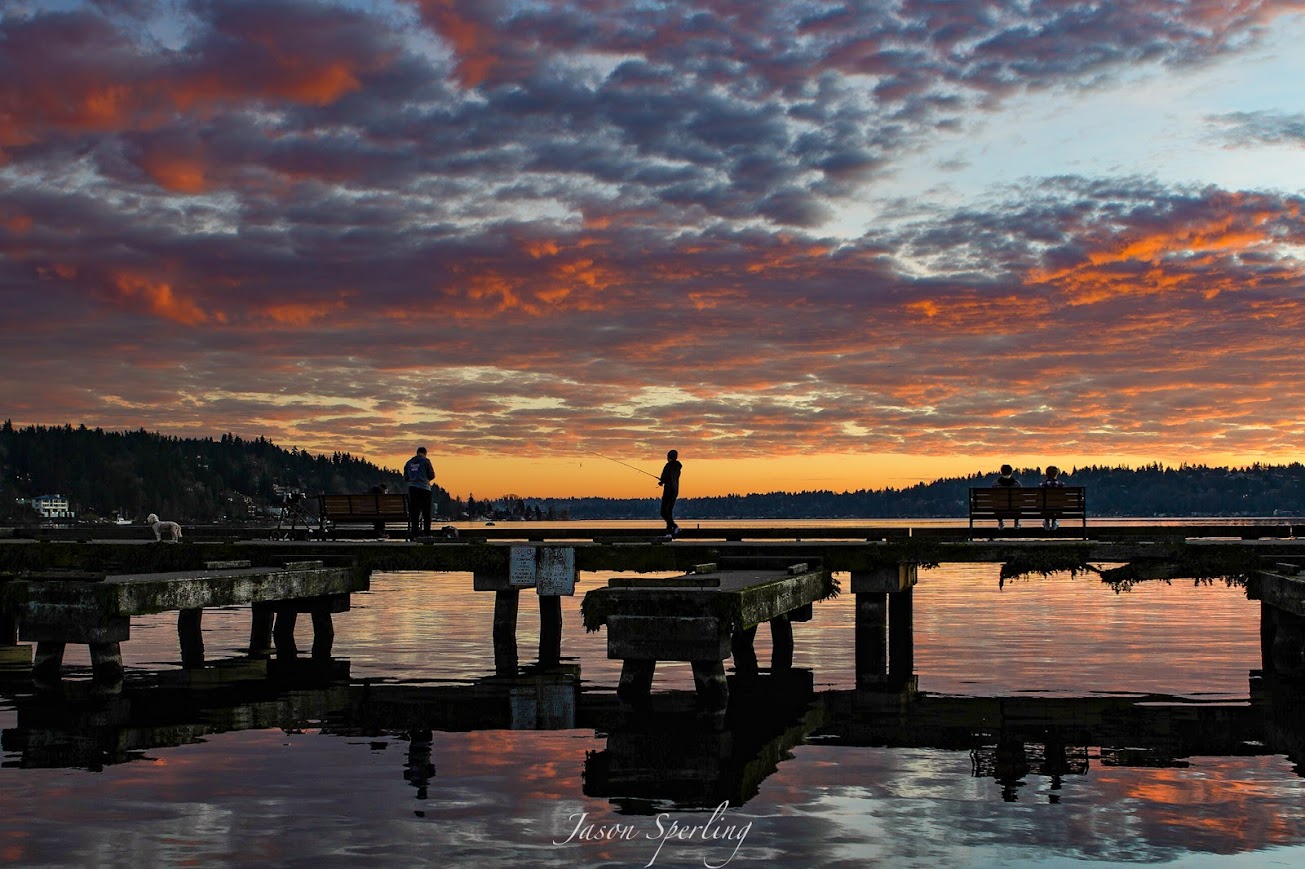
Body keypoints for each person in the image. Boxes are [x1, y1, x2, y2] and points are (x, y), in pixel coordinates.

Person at [404, 447, 435, 538]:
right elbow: (432, 475)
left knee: (414, 512)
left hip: (413, 489)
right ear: (425, 453)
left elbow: (406, 478)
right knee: (426, 512)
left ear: (417, 453)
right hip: (424, 489)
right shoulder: (426, 461)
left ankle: (415, 533)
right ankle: (427, 533)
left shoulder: (409, 463)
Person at [657, 449, 682, 538]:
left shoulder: (668, 466)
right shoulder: (678, 467)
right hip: (675, 491)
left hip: (668, 490)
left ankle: (675, 527)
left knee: (663, 512)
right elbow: (672, 477)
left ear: (669, 457)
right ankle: (669, 533)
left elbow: (665, 477)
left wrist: (661, 482)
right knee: (669, 512)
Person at [992, 464, 1021, 529]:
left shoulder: (995, 484)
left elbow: (994, 499)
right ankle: (1016, 522)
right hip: (1015, 511)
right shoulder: (1017, 484)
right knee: (1017, 505)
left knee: (997, 505)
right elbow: (1020, 499)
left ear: (1001, 472)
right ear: (1011, 472)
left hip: (999, 511)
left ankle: (1000, 522)